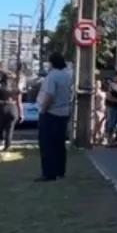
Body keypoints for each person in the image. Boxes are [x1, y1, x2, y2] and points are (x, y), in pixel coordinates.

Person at [37, 52, 73, 181]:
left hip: (51, 112)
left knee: (47, 144)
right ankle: (60, 170)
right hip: (63, 112)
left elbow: (50, 95)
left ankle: (49, 173)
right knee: (59, 143)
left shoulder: (52, 76)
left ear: (52, 63)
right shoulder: (67, 75)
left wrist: (43, 110)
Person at [0, 73, 23, 152]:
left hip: (2, 107)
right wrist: (21, 114)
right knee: (10, 129)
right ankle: (7, 146)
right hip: (13, 108)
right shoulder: (16, 88)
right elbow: (19, 103)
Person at [92, 79, 106, 146]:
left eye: (99, 83)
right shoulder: (95, 93)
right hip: (97, 109)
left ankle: (97, 138)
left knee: (101, 124)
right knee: (98, 123)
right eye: (97, 83)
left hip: (102, 110)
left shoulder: (103, 92)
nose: (99, 84)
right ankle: (97, 137)